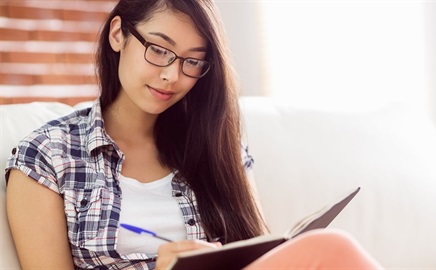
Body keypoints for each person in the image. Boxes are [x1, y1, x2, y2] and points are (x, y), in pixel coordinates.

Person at [5, 0, 383, 269]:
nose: (172, 75)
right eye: (158, 50)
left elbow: (255, 250)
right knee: (331, 248)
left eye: (192, 61)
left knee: (325, 251)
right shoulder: (48, 155)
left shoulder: (216, 145)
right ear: (118, 35)